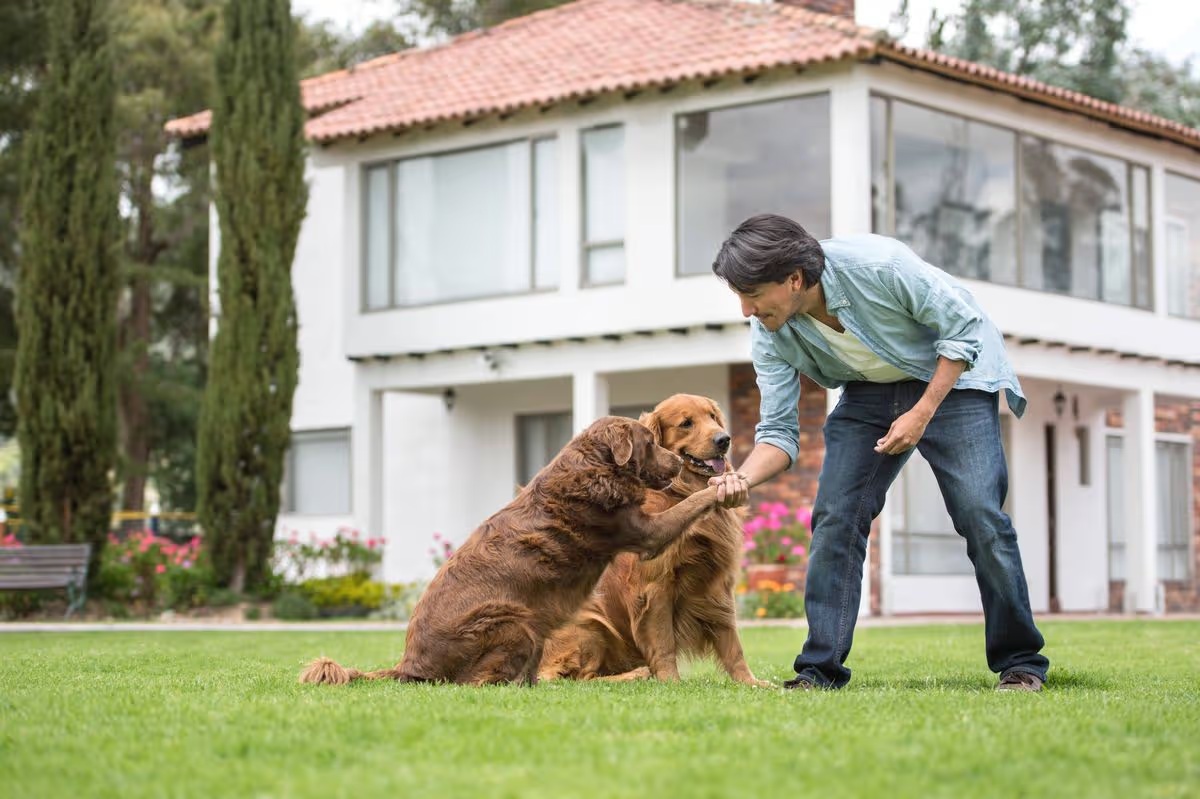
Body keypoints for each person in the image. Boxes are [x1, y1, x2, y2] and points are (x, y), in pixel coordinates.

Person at [708, 213, 1049, 692]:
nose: (746, 309)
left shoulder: (879, 266)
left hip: (954, 380)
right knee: (835, 516)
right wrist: (740, 478)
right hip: (870, 392)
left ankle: (1021, 663)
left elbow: (965, 328)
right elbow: (780, 432)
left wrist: (922, 411)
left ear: (794, 279)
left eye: (753, 294)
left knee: (979, 514)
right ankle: (819, 671)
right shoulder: (770, 332)